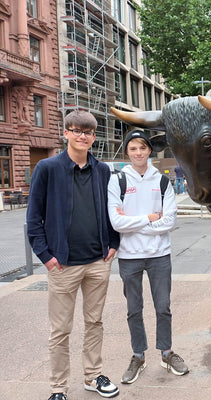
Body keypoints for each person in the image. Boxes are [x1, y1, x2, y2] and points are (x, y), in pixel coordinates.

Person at [26, 110, 120, 400]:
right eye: (76, 130)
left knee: (94, 323)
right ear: (65, 133)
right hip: (62, 264)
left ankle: (92, 376)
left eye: (88, 132)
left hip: (97, 262)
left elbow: (111, 210)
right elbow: (34, 218)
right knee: (61, 330)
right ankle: (58, 388)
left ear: (93, 137)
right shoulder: (47, 168)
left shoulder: (103, 171)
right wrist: (46, 256)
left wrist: (113, 243)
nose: (82, 136)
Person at [107, 130, 188, 385]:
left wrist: (133, 223)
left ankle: (166, 352)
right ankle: (138, 355)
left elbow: (169, 220)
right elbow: (116, 222)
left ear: (149, 151)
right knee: (134, 309)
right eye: (133, 149)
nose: (138, 153)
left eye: (142, 148)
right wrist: (148, 218)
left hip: (158, 254)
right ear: (127, 152)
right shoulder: (118, 181)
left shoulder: (161, 181)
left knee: (163, 306)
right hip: (129, 256)